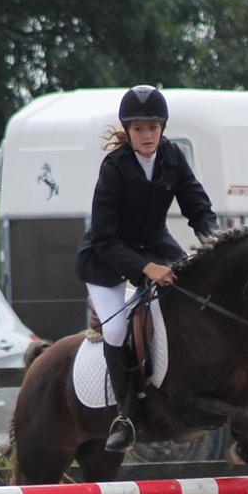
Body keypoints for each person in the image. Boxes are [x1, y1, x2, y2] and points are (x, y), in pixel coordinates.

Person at [75, 85, 219, 452]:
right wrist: (146, 269)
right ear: (128, 130)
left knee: (188, 301)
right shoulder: (114, 168)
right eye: (139, 129)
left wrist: (215, 244)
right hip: (106, 258)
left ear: (162, 128)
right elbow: (106, 238)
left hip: (155, 244)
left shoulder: (172, 157)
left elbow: (197, 207)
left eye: (153, 128)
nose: (147, 135)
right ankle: (125, 416)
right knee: (117, 329)